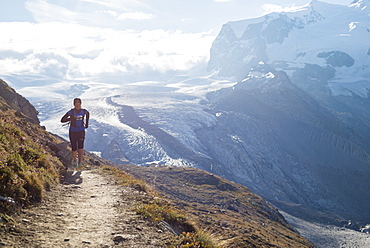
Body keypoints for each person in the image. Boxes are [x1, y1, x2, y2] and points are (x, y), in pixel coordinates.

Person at [61, 98, 90, 168]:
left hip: (81, 131)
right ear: (74, 105)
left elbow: (88, 113)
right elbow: (62, 120)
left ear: (80, 104)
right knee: (74, 148)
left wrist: (86, 124)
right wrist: (70, 119)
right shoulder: (71, 112)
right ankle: (74, 160)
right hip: (73, 132)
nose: (77, 105)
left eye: (79, 104)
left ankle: (80, 163)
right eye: (76, 104)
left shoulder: (83, 111)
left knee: (80, 148)